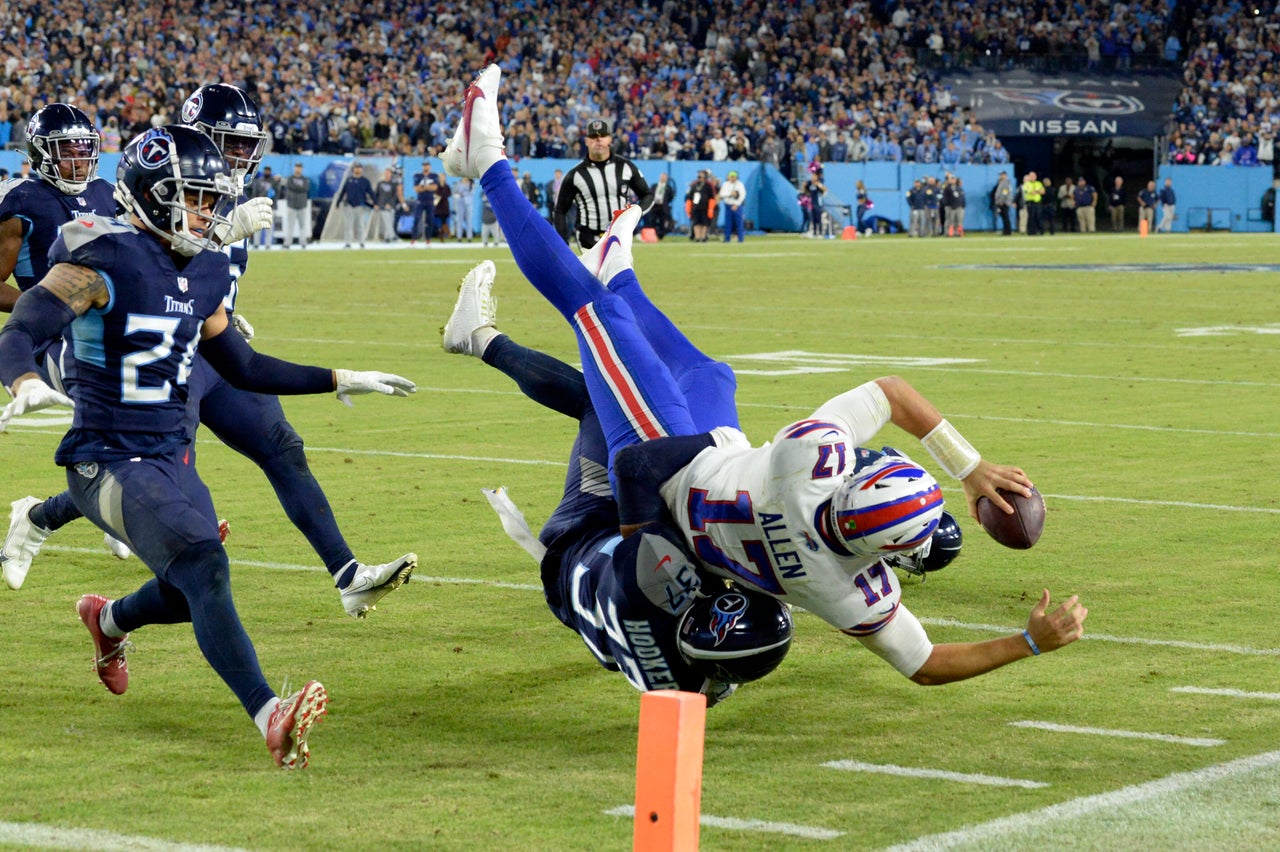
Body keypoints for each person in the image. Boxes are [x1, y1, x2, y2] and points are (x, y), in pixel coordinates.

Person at [439, 65, 1088, 687]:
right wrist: (1029, 642)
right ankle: (619, 268)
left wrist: (969, 469)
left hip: (671, 468)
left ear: (851, 488)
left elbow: (892, 393)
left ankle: (486, 159)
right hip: (717, 486)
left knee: (593, 312)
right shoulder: (845, 592)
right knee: (709, 372)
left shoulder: (810, 460)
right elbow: (926, 664)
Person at [0, 125, 415, 768]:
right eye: (193, 197)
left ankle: (107, 620)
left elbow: (243, 367)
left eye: (209, 200)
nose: (207, 213)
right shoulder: (101, 256)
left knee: (189, 582)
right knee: (205, 566)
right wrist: (24, 379)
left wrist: (339, 377)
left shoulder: (208, 267)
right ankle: (269, 714)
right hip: (103, 457)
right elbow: (24, 325)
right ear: (151, 194)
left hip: (168, 453)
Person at [438, 262, 793, 704]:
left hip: (585, 531)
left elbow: (635, 469)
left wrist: (719, 443)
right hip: (587, 594)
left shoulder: (653, 578)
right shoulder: (693, 682)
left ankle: (478, 339)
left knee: (598, 401)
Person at [553, 118, 653, 249]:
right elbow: (560, 210)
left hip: (619, 235)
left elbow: (647, 195)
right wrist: (563, 245)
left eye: (602, 136)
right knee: (595, 270)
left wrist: (636, 212)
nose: (598, 140)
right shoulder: (575, 174)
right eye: (593, 137)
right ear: (586, 141)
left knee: (618, 268)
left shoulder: (625, 167)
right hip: (588, 238)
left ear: (610, 139)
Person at [340, 162, 374, 248]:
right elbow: (343, 192)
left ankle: (361, 242)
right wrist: (338, 202)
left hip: (360, 205)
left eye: (359, 168)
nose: (357, 169)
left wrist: (375, 202)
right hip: (349, 205)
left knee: (360, 225)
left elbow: (371, 192)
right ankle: (348, 242)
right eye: (356, 168)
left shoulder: (365, 181)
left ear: (362, 169)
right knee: (348, 225)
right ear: (353, 169)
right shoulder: (349, 180)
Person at [281, 162, 312, 248]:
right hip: (292, 205)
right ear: (294, 168)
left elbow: (305, 188)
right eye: (297, 167)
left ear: (302, 169)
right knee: (290, 225)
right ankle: (287, 243)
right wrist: (299, 188)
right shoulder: (290, 178)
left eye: (300, 167)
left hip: (302, 205)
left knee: (302, 225)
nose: (298, 169)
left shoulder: (305, 179)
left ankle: (303, 242)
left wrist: (296, 187)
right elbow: (291, 187)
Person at [246, 166, 277, 249]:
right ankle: (256, 243)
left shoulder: (274, 181)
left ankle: (268, 244)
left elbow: (277, 193)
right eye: (265, 171)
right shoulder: (259, 181)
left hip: (270, 206)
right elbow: (255, 193)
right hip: (259, 205)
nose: (267, 172)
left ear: (270, 172)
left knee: (269, 226)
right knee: (258, 225)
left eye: (268, 171)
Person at [371, 167, 403, 244]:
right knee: (387, 222)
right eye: (386, 172)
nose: (387, 174)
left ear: (391, 174)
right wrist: (375, 204)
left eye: (388, 173)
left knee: (390, 222)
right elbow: (376, 195)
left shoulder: (393, 184)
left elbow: (394, 196)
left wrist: (390, 204)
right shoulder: (380, 183)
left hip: (391, 206)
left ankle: (387, 237)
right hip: (382, 206)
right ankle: (393, 236)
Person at [718, 170, 746, 242]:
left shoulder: (740, 184)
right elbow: (722, 194)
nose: (732, 178)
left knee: (739, 222)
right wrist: (730, 194)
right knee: (728, 223)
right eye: (731, 177)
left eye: (734, 177)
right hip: (728, 205)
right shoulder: (725, 184)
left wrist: (736, 204)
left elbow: (742, 195)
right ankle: (727, 238)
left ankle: (740, 238)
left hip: (737, 206)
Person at [685, 172, 713, 243]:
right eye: (699, 177)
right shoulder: (694, 186)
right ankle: (697, 237)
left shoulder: (708, 186)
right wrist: (689, 208)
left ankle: (703, 237)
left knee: (704, 223)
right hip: (695, 207)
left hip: (705, 207)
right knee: (696, 223)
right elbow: (689, 198)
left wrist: (711, 208)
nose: (700, 178)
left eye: (701, 177)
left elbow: (711, 197)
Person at [647, 172, 675, 239]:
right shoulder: (654, 186)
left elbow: (671, 197)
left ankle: (661, 236)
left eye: (664, 177)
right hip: (654, 206)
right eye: (662, 177)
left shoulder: (668, 187)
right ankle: (652, 235)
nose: (663, 178)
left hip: (663, 206)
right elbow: (650, 194)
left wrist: (665, 202)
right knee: (652, 220)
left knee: (662, 221)